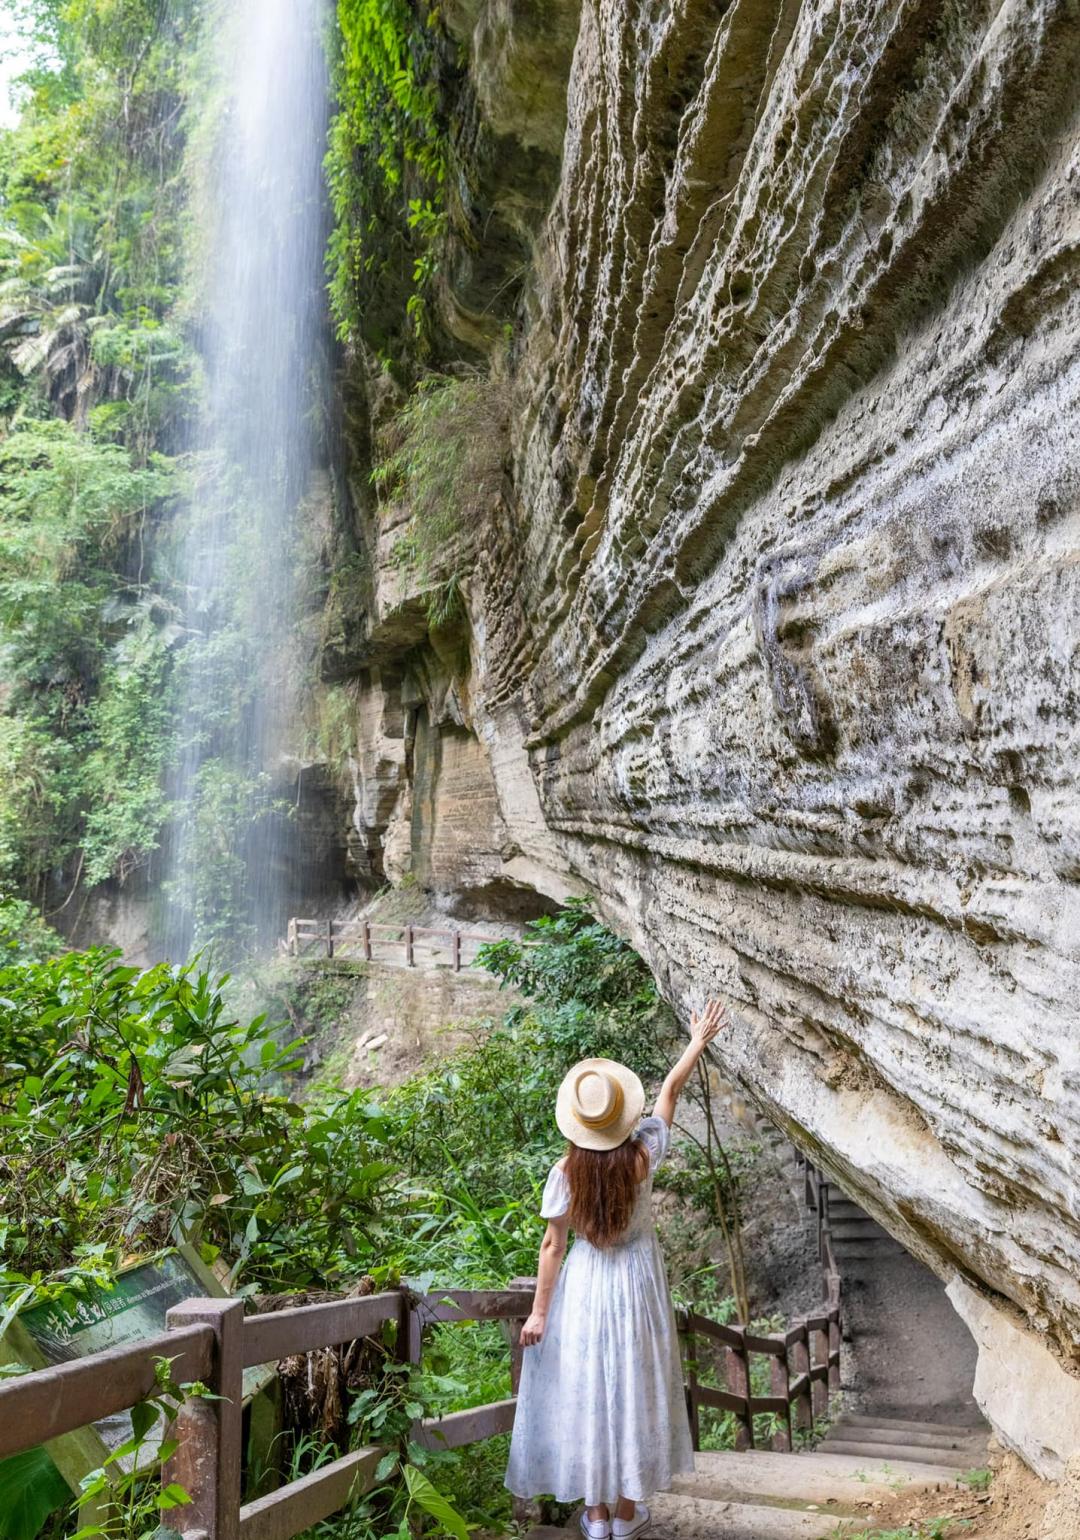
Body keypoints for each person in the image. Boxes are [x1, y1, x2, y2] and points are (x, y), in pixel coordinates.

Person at [504, 999, 729, 1539]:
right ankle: (627, 1515)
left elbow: (552, 1246)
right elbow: (669, 1095)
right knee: (633, 1386)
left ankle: (597, 1518)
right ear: (622, 1118)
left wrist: (538, 1315)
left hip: (586, 1283)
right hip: (638, 1280)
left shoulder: (564, 1172)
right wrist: (696, 1043)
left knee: (585, 1389)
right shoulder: (643, 1155)